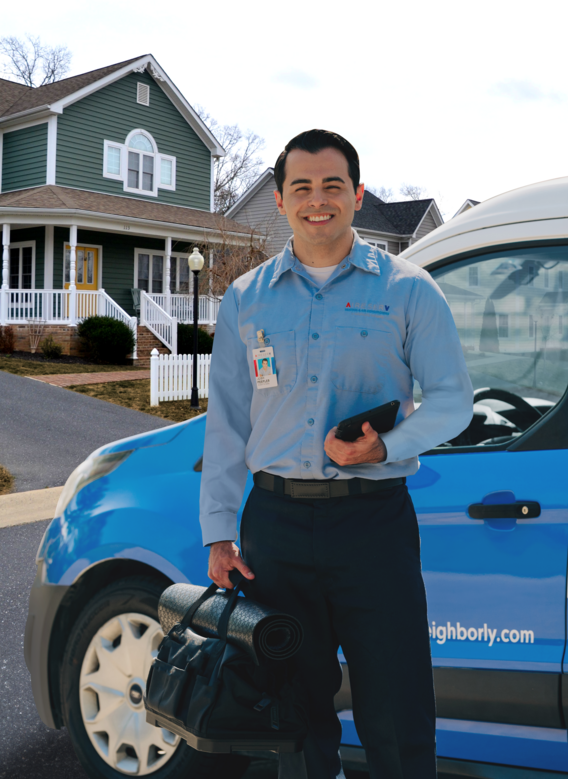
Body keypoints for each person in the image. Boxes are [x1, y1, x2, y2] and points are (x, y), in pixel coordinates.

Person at [199, 129, 474, 779]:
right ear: (279, 198)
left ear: (356, 194)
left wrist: (387, 445)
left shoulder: (409, 290)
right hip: (275, 526)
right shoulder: (247, 299)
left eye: (331, 186)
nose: (316, 200)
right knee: (293, 710)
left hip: (372, 523)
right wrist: (218, 533)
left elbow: (453, 402)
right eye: (302, 188)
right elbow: (227, 424)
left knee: (397, 704)